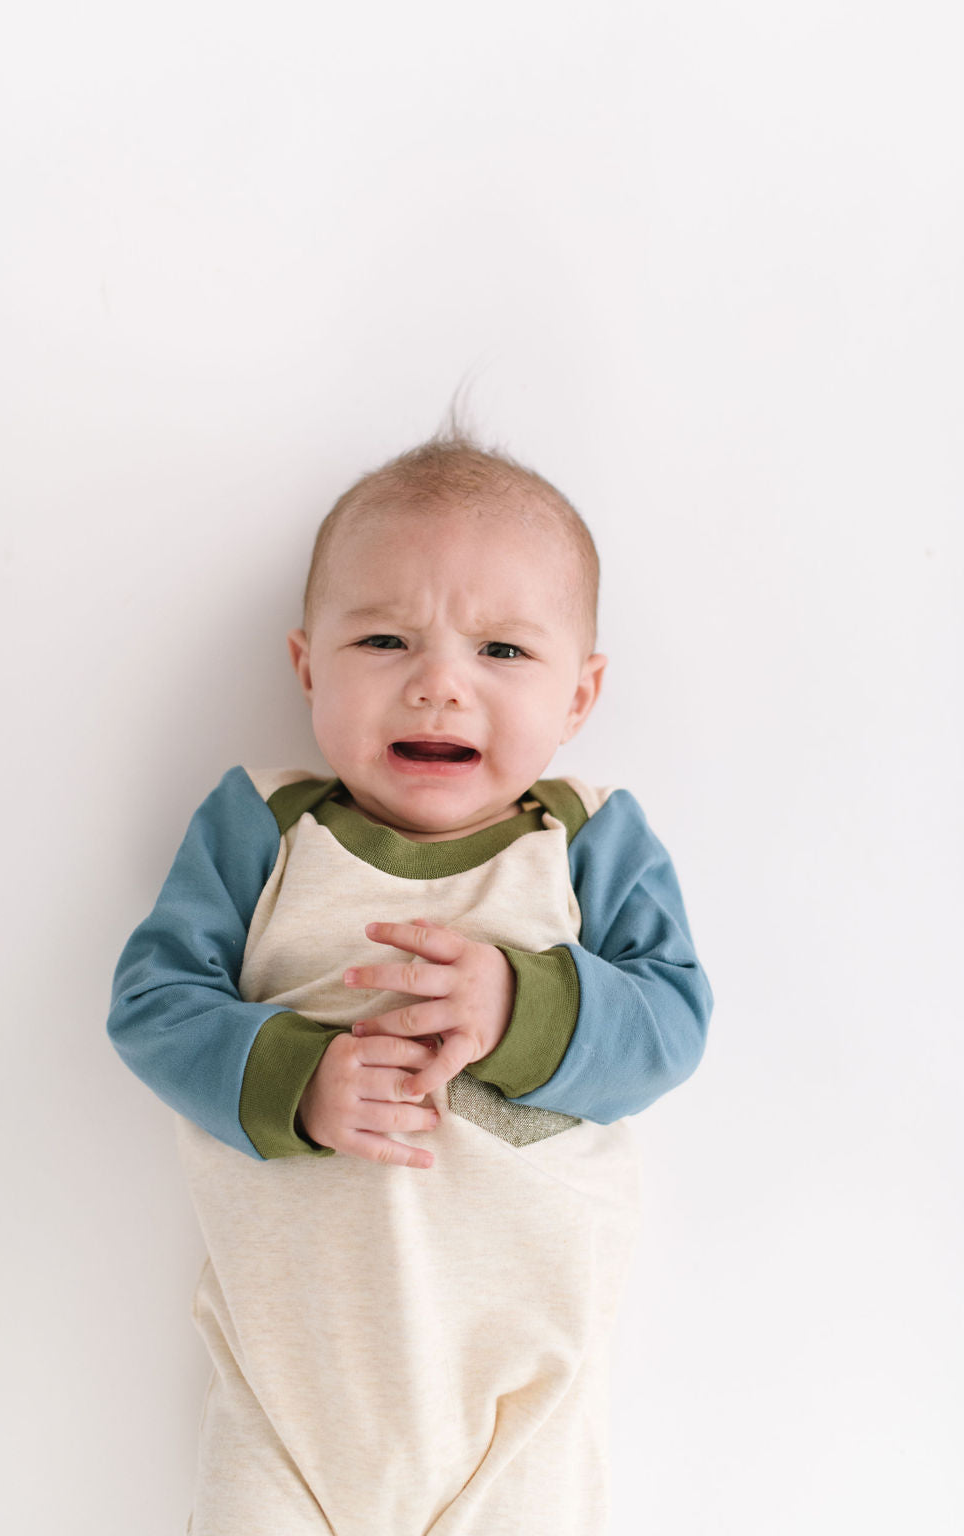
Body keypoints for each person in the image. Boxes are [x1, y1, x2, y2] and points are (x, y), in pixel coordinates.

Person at [107, 430, 713, 1536]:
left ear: (580, 694)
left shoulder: (583, 838)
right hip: (288, 1402)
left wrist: (523, 1007)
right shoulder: (266, 825)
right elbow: (153, 1002)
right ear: (306, 668)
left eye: (503, 653)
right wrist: (298, 1078)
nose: (439, 684)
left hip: (514, 1402)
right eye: (385, 639)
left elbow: (672, 1020)